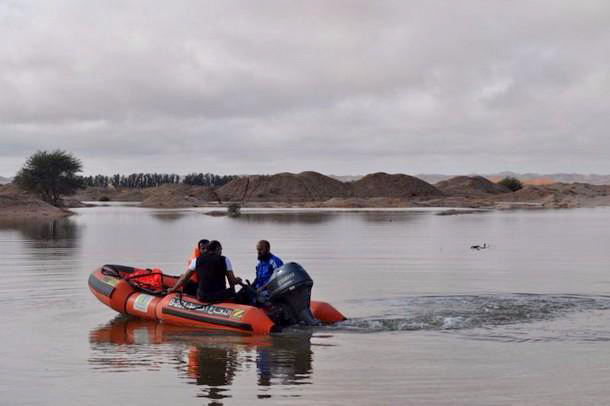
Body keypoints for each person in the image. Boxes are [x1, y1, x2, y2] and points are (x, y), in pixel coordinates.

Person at [168, 240, 242, 303]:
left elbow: (184, 278)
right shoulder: (225, 260)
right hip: (220, 296)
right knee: (233, 292)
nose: (221, 252)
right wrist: (238, 280)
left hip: (202, 297)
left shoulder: (196, 260)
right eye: (221, 250)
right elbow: (232, 281)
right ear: (217, 248)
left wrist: (173, 289)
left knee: (188, 284)